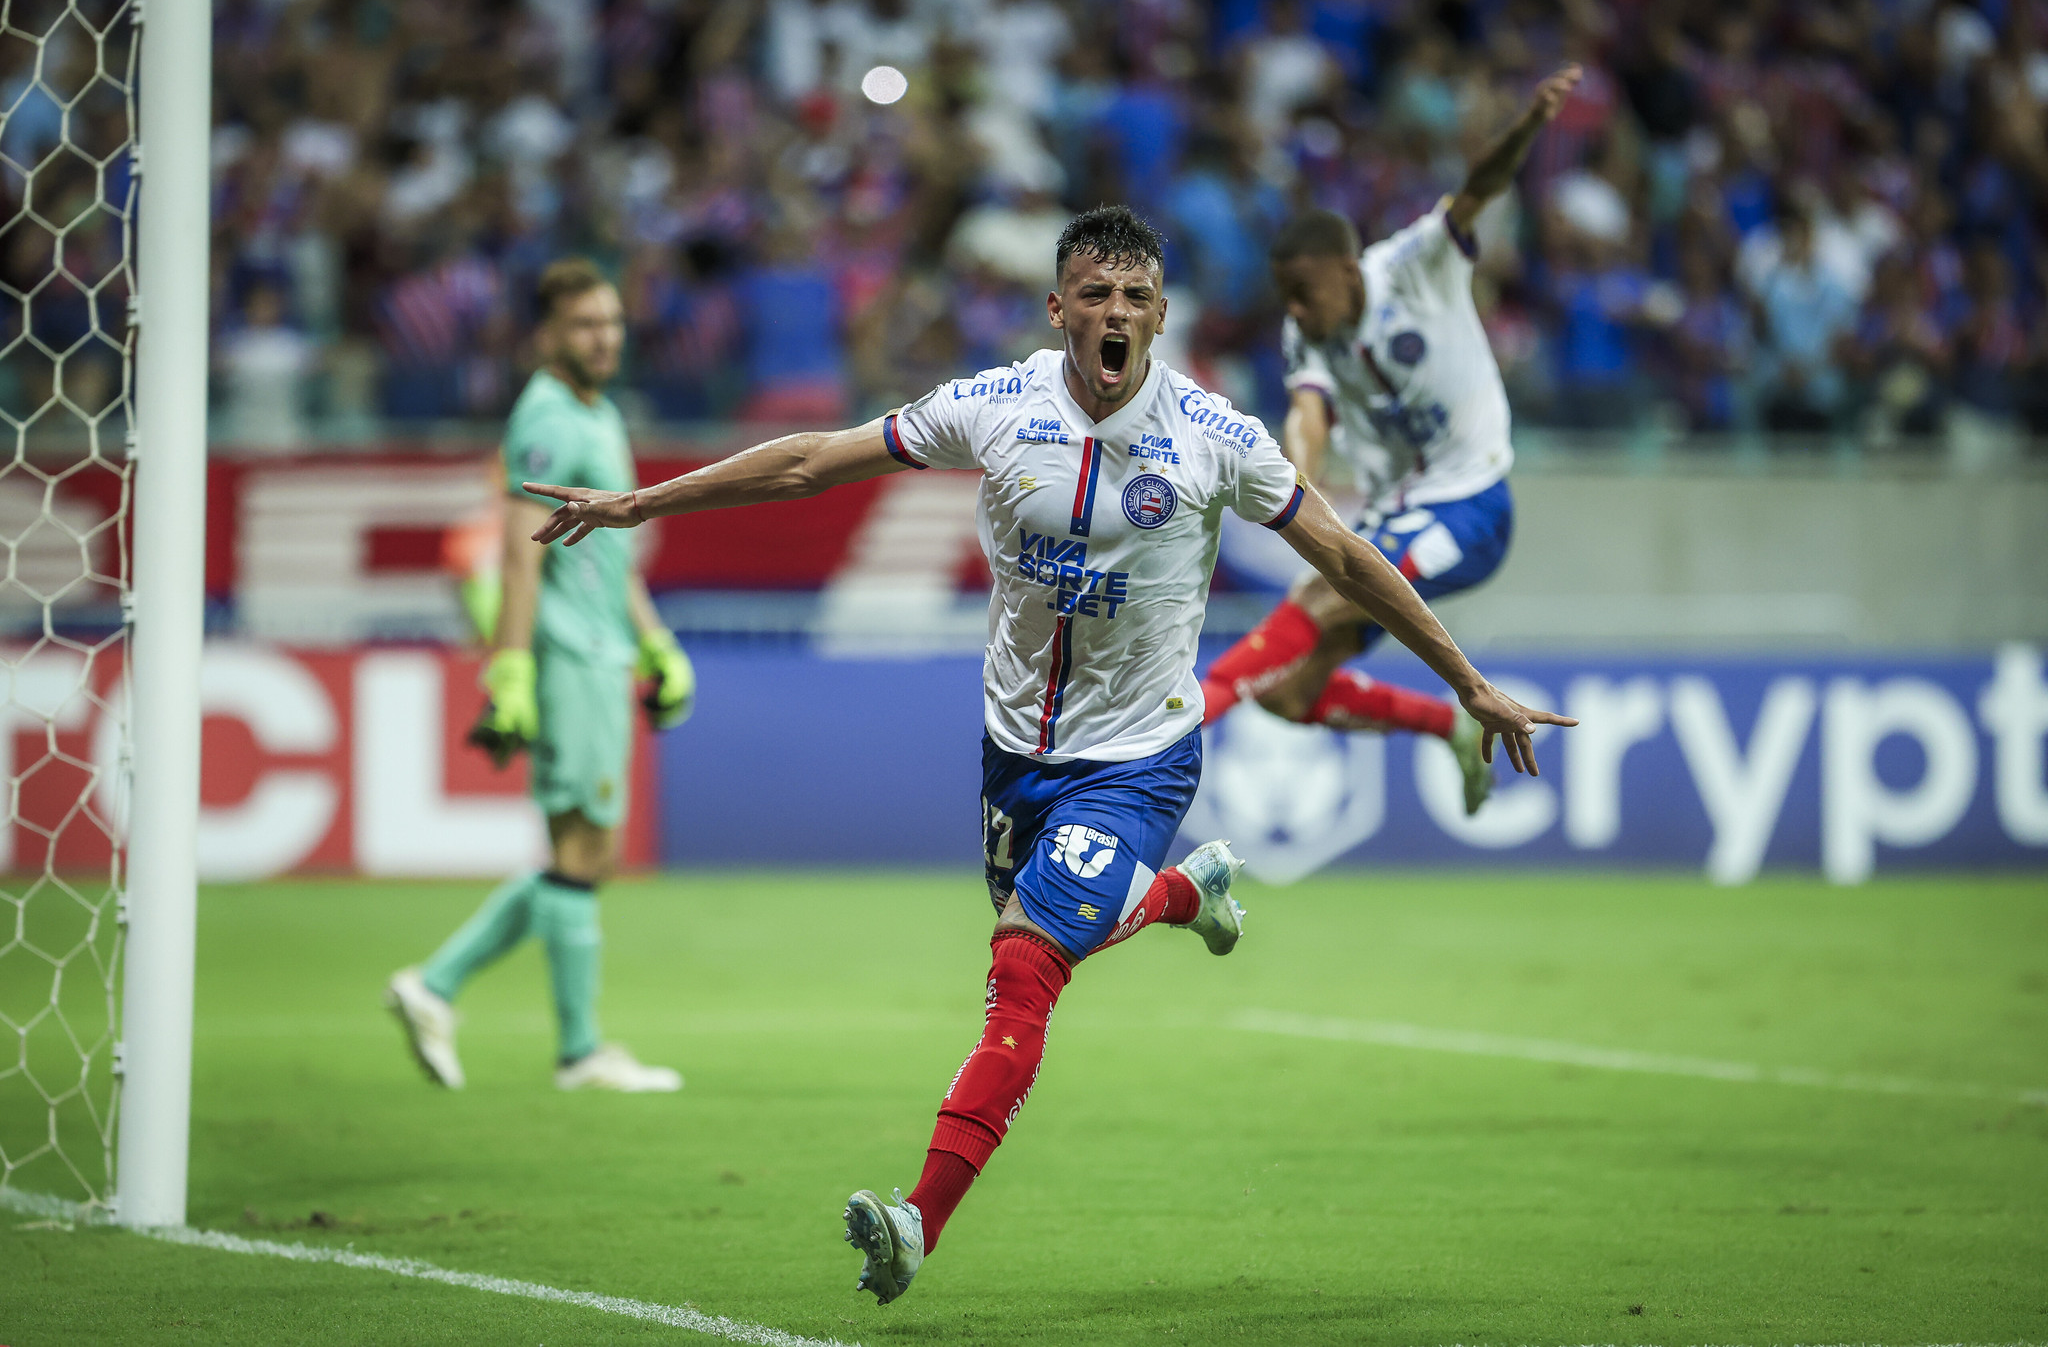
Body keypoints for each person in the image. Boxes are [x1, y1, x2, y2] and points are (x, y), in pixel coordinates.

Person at [522, 208, 1573, 1301]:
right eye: (1093, 295)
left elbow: (1348, 560)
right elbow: (808, 464)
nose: (1114, 315)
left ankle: (915, 1221)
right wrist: (643, 502)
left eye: (1134, 298)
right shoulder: (993, 406)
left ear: (1159, 315)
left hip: (1141, 758)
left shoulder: (1215, 436)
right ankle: (1178, 897)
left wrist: (1464, 681)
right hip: (1013, 754)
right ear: (1058, 308)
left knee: (1022, 970)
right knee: (1036, 933)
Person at [1199, 65, 1585, 817]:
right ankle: (1444, 725)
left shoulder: (1415, 265)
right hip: (1391, 515)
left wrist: (1527, 126)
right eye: (1287, 299)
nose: (1297, 312)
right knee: (1288, 692)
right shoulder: (1306, 333)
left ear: (1348, 272)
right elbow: (1308, 414)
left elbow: (1477, 187)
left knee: (1318, 594)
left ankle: (1186, 711)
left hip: (1469, 503)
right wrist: (1294, 480)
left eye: (1306, 294)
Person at [384, 258, 698, 1093]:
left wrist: (654, 643)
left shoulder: (595, 410)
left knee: (581, 852)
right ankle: (576, 1049)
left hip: (598, 651)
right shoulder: (547, 417)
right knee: (583, 848)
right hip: (566, 658)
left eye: (611, 323)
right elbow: (519, 562)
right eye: (585, 325)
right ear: (547, 334)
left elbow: (607, 552)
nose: (604, 337)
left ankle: (439, 988)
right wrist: (513, 669)